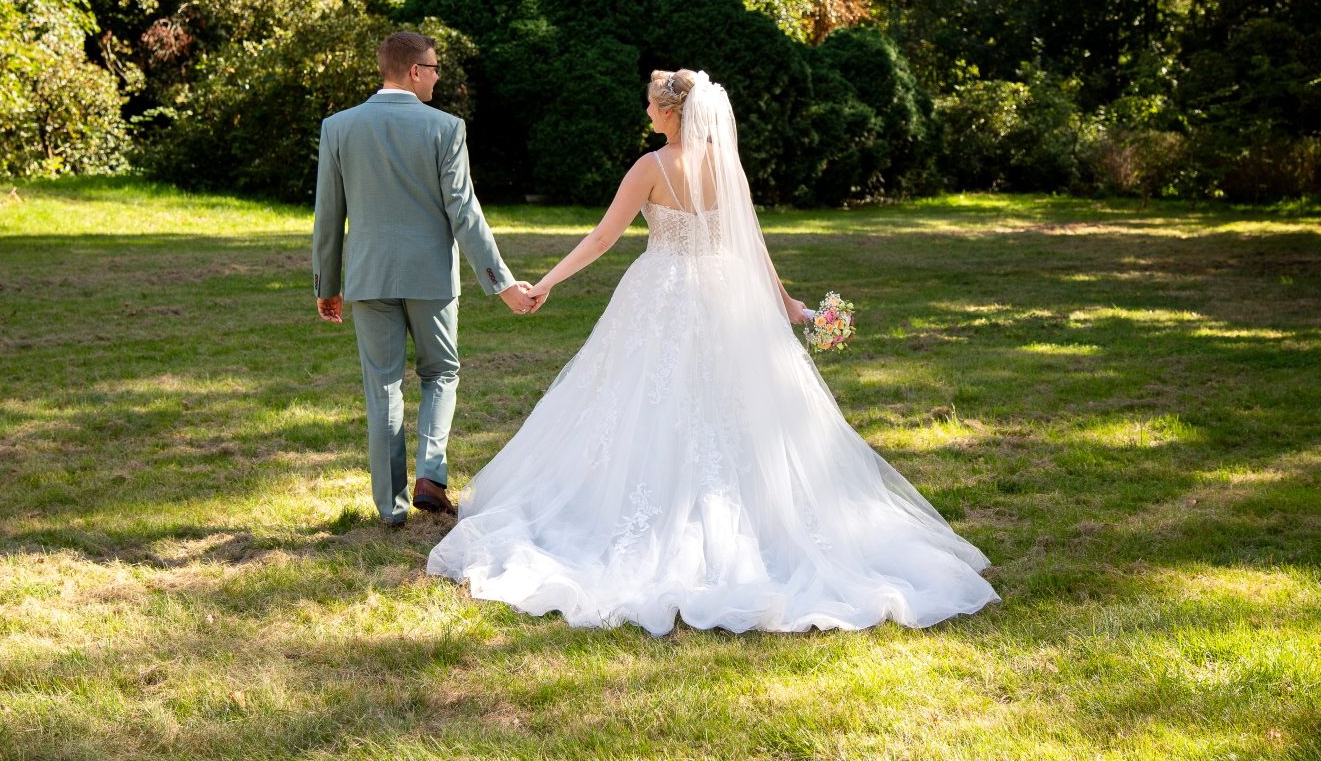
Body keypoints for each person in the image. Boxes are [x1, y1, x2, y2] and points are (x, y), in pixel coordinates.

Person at [427, 68, 999, 634]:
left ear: (672, 112)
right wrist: (786, 303)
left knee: (641, 402)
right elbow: (751, 243)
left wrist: (545, 282)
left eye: (652, 104)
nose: (647, 112)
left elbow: (603, 238)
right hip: (730, 293)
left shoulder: (651, 167)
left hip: (663, 292)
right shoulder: (727, 168)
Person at [313, 31, 535, 526]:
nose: (437, 77)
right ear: (414, 71)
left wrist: (327, 285)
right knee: (441, 373)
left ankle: (391, 510)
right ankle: (431, 475)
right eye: (434, 68)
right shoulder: (447, 128)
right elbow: (464, 211)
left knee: (383, 387)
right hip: (432, 277)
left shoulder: (338, 127)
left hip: (370, 278)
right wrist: (501, 282)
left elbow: (328, 214)